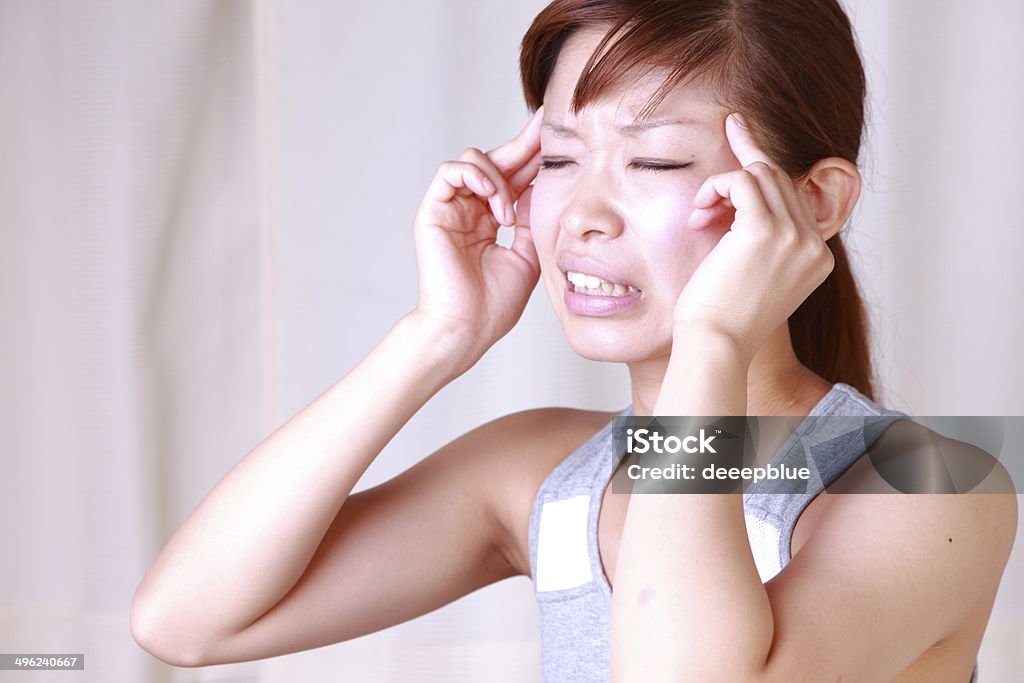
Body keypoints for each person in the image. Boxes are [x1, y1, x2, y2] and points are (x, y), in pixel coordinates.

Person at [130, 1, 1017, 680]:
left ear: (814, 204)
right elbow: (185, 620)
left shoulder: (936, 486)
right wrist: (436, 335)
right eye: (557, 158)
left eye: (654, 161)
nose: (582, 217)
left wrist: (712, 341)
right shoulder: (544, 472)